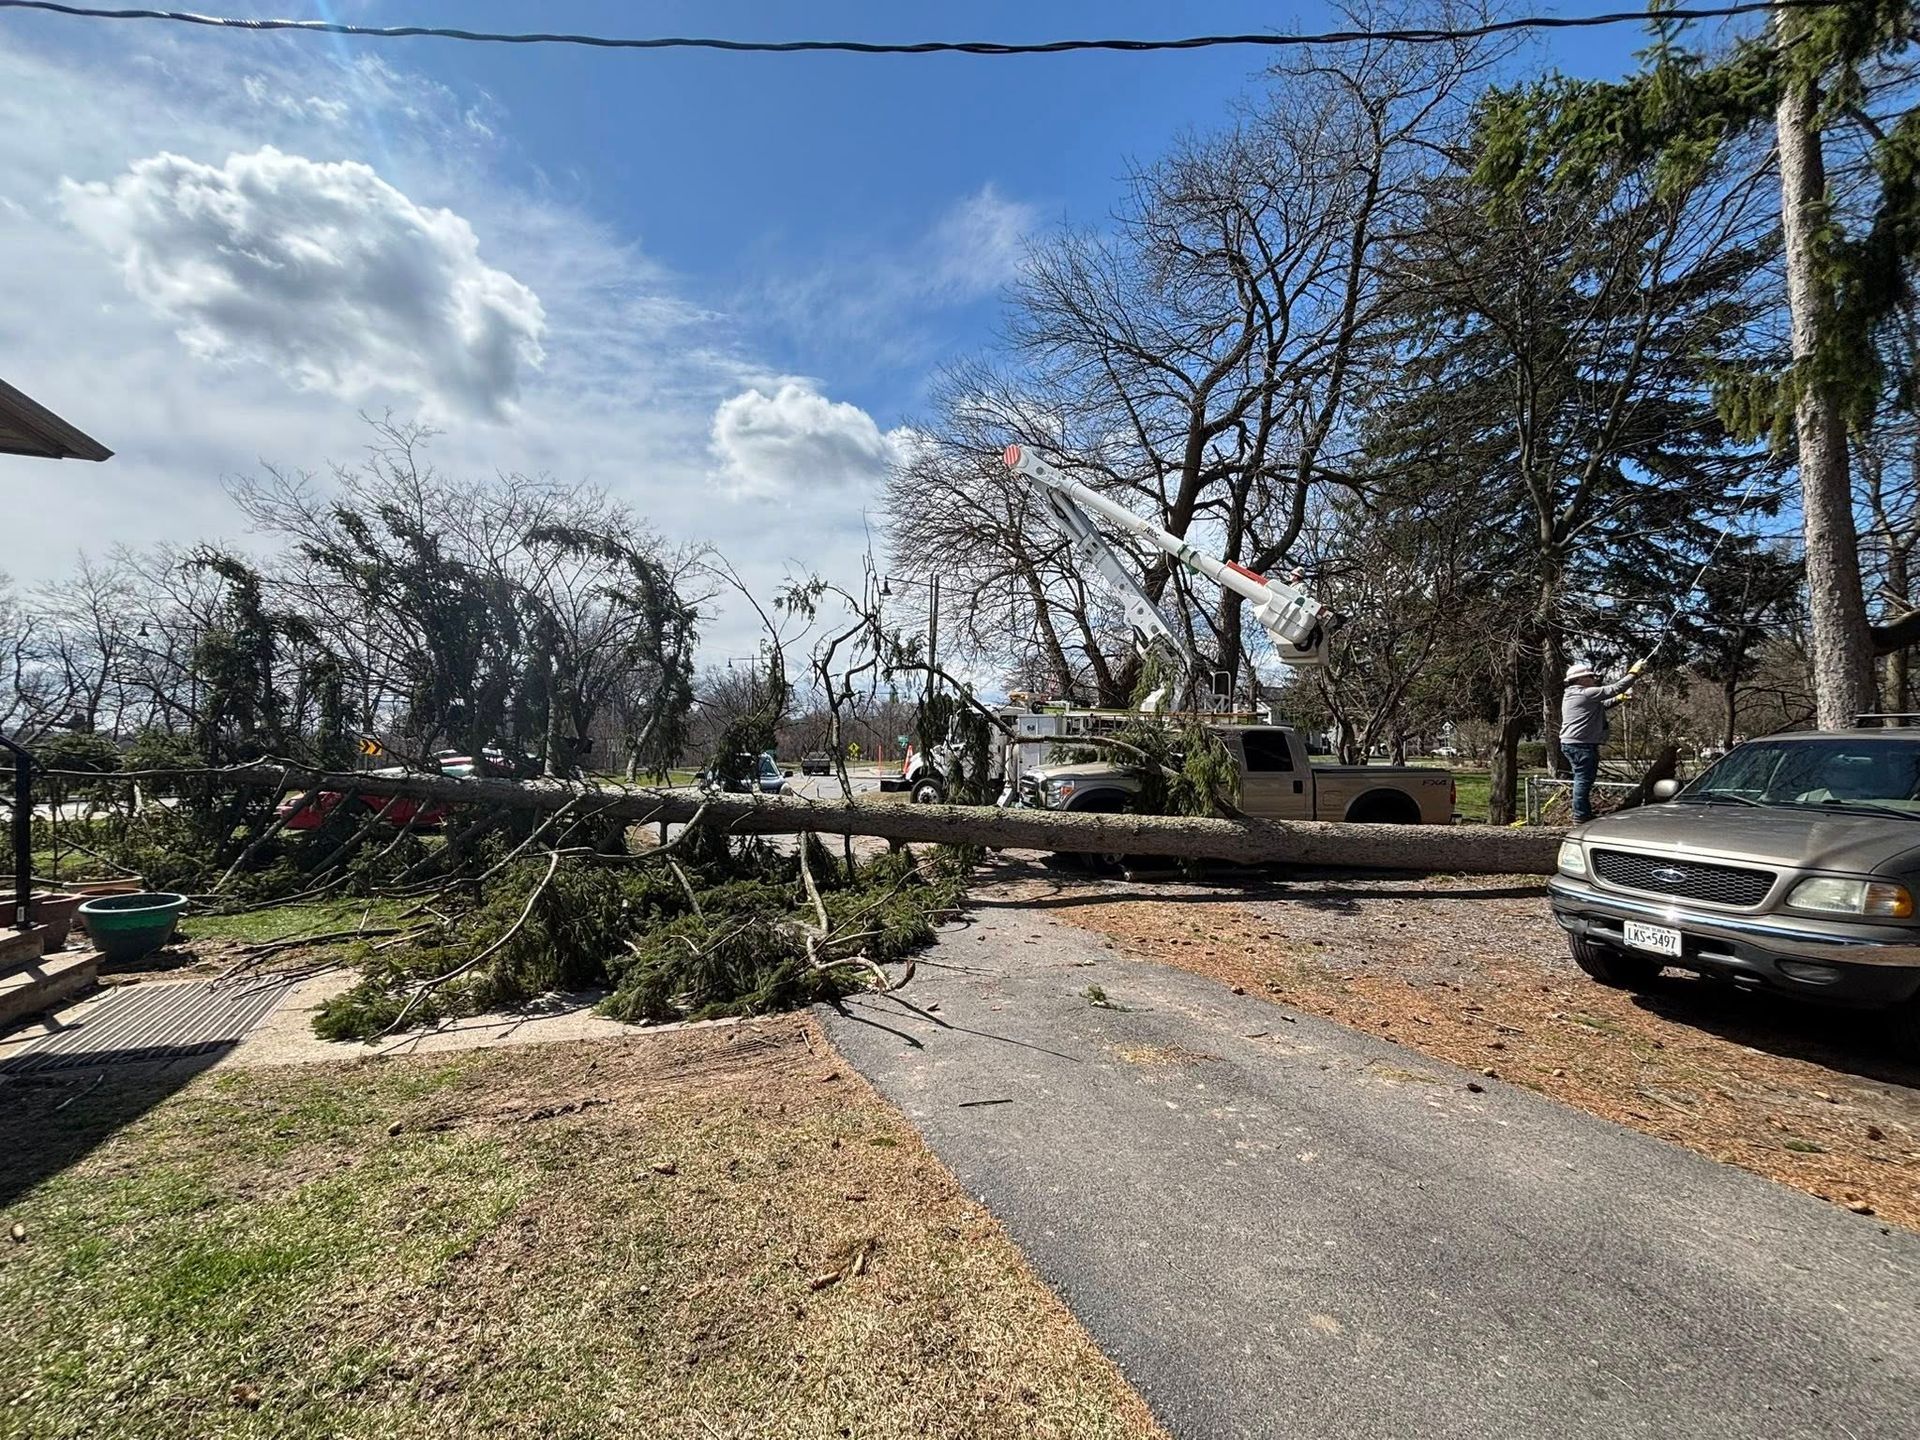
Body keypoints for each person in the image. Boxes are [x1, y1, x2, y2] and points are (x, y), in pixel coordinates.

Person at [1559, 659, 1644, 823]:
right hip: (1581, 745)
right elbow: (1615, 688)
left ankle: (1582, 814)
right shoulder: (1585, 693)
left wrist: (1620, 698)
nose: (1593, 679)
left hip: (1575, 744)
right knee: (1583, 780)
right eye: (1590, 676)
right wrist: (1634, 673)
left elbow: (1602, 705)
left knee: (1582, 779)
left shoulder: (1575, 695)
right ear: (1581, 679)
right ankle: (1581, 816)